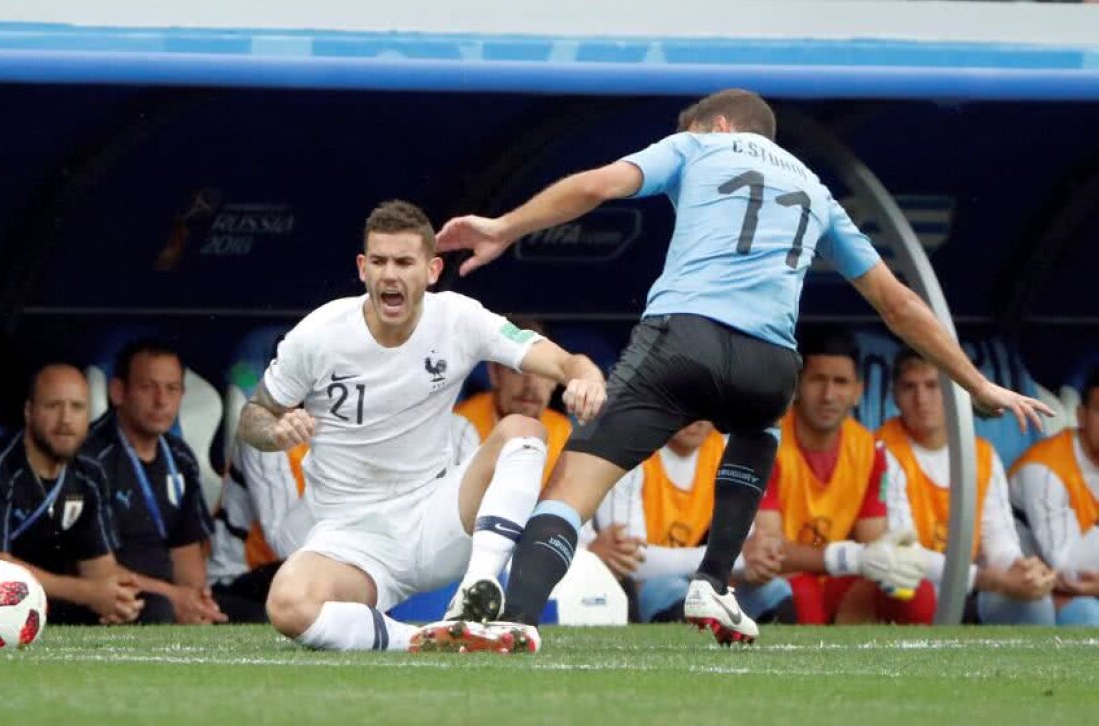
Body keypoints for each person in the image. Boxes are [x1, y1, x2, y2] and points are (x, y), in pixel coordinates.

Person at [430, 88, 1051, 649]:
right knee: (759, 424)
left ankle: (515, 618)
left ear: (719, 124)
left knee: (573, 486)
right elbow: (897, 302)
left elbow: (597, 186)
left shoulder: (700, 145)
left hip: (682, 337)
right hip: (770, 360)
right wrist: (975, 382)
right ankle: (715, 579)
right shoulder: (815, 190)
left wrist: (504, 227)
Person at [236, 200, 606, 653]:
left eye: (404, 262)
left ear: (431, 270)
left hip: (436, 522)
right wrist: (274, 432)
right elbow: (253, 414)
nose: (390, 275)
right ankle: (423, 639)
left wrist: (584, 374)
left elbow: (559, 359)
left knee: (524, 431)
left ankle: (478, 590)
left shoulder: (458, 318)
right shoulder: (318, 335)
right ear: (361, 268)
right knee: (289, 606)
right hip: (351, 538)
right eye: (379, 261)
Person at [0, 364, 143, 625]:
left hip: (28, 595)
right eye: (53, 406)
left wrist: (116, 598)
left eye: (77, 407)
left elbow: (100, 570)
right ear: (29, 411)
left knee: (150, 609)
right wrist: (88, 593)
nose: (66, 419)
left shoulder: (89, 474)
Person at [750, 332, 934, 625]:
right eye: (818, 380)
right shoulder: (765, 443)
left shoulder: (869, 450)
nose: (828, 395)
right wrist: (852, 559)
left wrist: (875, 563)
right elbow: (770, 552)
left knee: (915, 591)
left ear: (858, 390)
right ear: (796, 385)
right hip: (783, 579)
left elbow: (873, 544)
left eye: (841, 383)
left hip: (838, 580)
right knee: (801, 593)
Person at [879, 348, 1057, 624]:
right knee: (914, 589)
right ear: (895, 395)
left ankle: (1036, 669)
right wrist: (986, 579)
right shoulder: (882, 449)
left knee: (1033, 597)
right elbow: (902, 551)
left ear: (955, 393)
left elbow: (999, 540)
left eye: (932, 385)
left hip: (974, 584)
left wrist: (1020, 569)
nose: (921, 399)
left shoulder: (982, 454)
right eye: (909, 387)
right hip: (912, 585)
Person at [84, 339, 225, 625]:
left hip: (169, 593)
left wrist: (196, 600)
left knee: (252, 615)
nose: (162, 400)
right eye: (148, 388)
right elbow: (95, 566)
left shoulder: (180, 456)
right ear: (118, 392)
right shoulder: (90, 458)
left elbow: (186, 549)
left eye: (172, 389)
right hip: (118, 595)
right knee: (159, 610)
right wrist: (174, 596)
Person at [592, 421, 792, 623]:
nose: (696, 417)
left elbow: (749, 546)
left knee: (776, 592)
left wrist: (762, 558)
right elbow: (632, 563)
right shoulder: (632, 450)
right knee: (674, 591)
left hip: (704, 581)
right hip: (645, 589)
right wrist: (736, 561)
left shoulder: (726, 451)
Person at [1009, 367, 1099, 625]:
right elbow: (1066, 564)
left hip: (1083, 588)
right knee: (1088, 617)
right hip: (1026, 591)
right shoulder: (1044, 468)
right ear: (1081, 416)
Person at [451, 317, 572, 486]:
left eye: (543, 372)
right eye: (517, 371)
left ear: (555, 381)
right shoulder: (459, 427)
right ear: (494, 373)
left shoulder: (565, 432)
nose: (531, 385)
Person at [207, 438, 313, 623]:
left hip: (286, 571)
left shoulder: (345, 435)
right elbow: (287, 546)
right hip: (235, 580)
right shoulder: (267, 433)